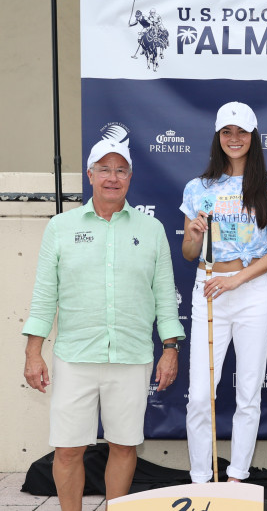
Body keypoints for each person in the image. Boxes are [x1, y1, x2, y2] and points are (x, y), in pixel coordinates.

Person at [22, 139, 184, 511]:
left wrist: (170, 349)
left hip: (132, 356)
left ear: (130, 177)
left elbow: (164, 296)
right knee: (67, 449)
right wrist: (33, 353)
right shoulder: (60, 227)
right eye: (105, 169)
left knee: (124, 446)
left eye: (121, 170)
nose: (113, 177)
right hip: (74, 357)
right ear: (90, 175)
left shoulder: (152, 229)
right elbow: (44, 295)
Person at [181, 101, 267, 482]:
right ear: (217, 136)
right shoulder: (197, 188)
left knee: (248, 392)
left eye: (241, 132)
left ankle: (237, 478)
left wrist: (237, 280)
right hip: (209, 290)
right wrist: (194, 235)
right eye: (227, 132)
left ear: (253, 136)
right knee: (199, 395)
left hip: (252, 291)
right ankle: (200, 480)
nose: (234, 138)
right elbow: (189, 253)